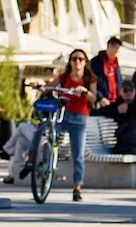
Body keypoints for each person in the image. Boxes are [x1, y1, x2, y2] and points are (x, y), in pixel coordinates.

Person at [23, 49, 97, 201]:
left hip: (79, 118)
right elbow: (50, 86)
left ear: (85, 62)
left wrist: (84, 91)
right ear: (70, 61)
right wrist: (39, 85)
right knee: (42, 130)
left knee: (78, 155)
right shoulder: (64, 77)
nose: (77, 62)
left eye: (80, 59)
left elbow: (93, 97)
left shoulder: (90, 79)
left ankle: (77, 188)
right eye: (74, 59)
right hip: (63, 115)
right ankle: (32, 159)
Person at [90, 36, 122, 107]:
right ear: (109, 46)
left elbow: (119, 79)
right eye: (116, 48)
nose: (117, 52)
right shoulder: (96, 62)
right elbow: (91, 82)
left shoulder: (115, 61)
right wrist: (100, 97)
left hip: (116, 99)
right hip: (103, 100)